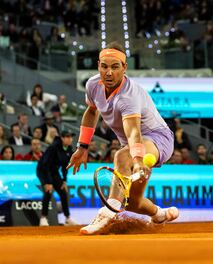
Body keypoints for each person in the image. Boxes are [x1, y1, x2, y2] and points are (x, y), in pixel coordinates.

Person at [67, 42, 178, 235]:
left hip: (158, 139)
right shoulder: (93, 85)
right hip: (134, 146)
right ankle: (161, 215)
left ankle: (107, 213)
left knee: (121, 157)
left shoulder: (129, 96)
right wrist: (82, 147)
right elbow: (92, 112)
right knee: (133, 202)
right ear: (98, 65)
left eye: (115, 67)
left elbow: (134, 131)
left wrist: (136, 159)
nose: (108, 72)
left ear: (124, 68)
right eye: (104, 66)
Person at [37, 130, 77, 226]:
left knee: (63, 193)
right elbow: (45, 164)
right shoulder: (53, 147)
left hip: (54, 171)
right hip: (43, 170)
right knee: (48, 192)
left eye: (71, 137)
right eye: (67, 137)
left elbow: (65, 166)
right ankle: (43, 218)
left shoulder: (69, 150)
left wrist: (64, 180)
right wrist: (48, 182)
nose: (70, 139)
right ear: (62, 138)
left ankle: (67, 218)